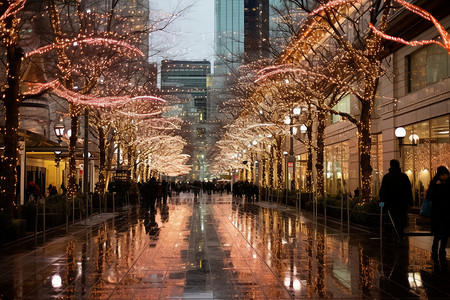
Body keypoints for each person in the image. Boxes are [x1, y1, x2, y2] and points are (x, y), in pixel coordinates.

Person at [379, 159, 413, 239]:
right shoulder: (404, 177)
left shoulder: (387, 177)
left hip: (390, 204)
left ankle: (390, 235)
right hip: (402, 203)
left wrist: (382, 203)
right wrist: (410, 202)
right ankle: (400, 234)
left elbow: (383, 191)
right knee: (400, 220)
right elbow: (408, 190)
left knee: (390, 219)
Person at [427, 166, 450, 259]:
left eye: (446, 175)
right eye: (444, 175)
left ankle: (442, 249)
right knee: (438, 232)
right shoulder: (434, 183)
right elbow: (430, 196)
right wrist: (438, 186)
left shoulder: (448, 182)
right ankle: (435, 247)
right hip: (438, 211)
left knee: (445, 232)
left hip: (447, 211)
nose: (446, 177)